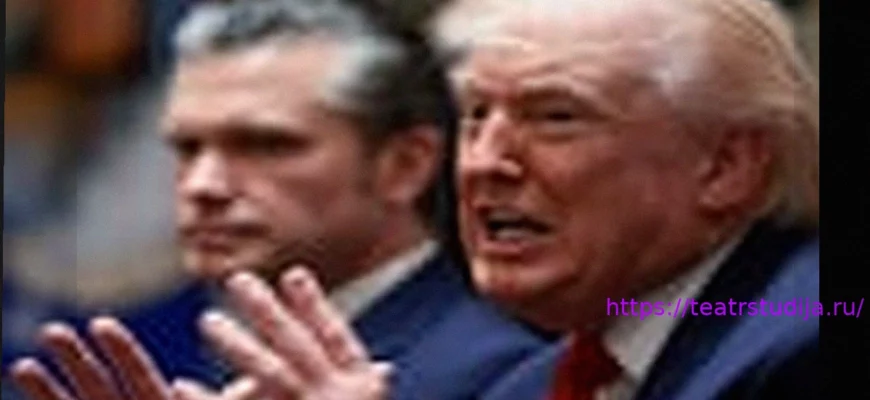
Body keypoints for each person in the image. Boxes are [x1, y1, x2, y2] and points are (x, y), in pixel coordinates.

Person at [121, 0, 819, 399]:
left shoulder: (807, 326)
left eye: (556, 116)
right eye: (477, 115)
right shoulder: (536, 381)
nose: (483, 162)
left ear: (725, 166)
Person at [7, 0, 552, 399]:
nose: (203, 185)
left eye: (265, 145)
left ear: (404, 166)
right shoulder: (227, 350)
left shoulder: (503, 374)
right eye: (187, 147)